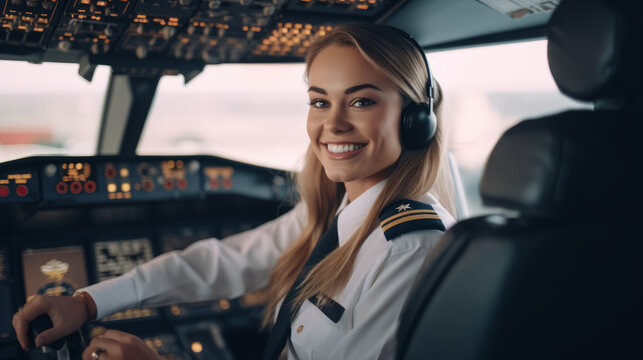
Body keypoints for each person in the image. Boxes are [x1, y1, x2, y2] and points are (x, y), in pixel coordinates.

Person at [12, 24, 456, 360]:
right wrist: (87, 302)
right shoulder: (346, 211)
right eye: (320, 101)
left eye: (361, 101)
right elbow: (224, 262)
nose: (332, 124)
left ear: (415, 119)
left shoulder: (409, 247)